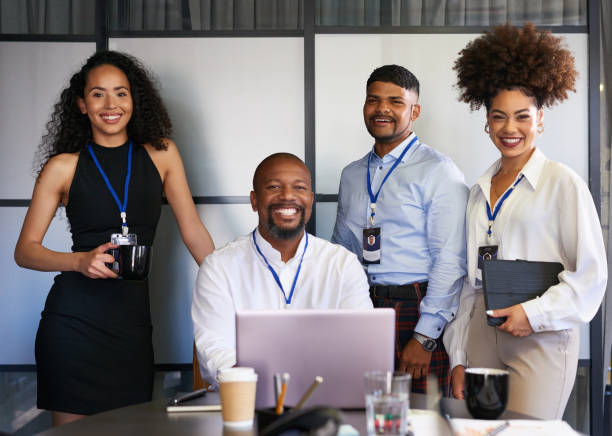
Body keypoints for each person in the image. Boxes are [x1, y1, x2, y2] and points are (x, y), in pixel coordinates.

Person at [13, 51, 215, 426]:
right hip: (72, 325)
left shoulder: (162, 155)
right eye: (98, 94)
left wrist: (230, 282)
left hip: (132, 326)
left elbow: (193, 232)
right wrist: (79, 261)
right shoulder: (63, 166)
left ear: (134, 100)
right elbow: (24, 251)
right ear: (81, 104)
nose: (111, 105)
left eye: (121, 93)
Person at [443, 23, 607, 419]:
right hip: (483, 332)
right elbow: (471, 284)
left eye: (521, 117)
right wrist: (459, 356)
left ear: (541, 118)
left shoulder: (562, 183)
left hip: (541, 337)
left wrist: (531, 315)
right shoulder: (478, 190)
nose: (510, 129)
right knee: (477, 432)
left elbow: (591, 275)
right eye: (499, 117)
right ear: (486, 120)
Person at [331, 65, 469, 395]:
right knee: (364, 413)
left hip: (417, 307)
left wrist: (425, 336)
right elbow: (343, 252)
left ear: (414, 111)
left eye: (395, 101)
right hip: (363, 306)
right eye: (373, 100)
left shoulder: (438, 170)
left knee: (422, 420)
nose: (382, 109)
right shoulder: (351, 175)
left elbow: (450, 258)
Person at [192, 153, 373, 388]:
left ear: (310, 200)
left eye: (298, 188)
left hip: (326, 403)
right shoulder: (219, 267)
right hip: (247, 403)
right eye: (274, 187)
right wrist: (266, 385)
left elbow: (359, 347)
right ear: (254, 200)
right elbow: (215, 352)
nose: (287, 196)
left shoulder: (342, 265)